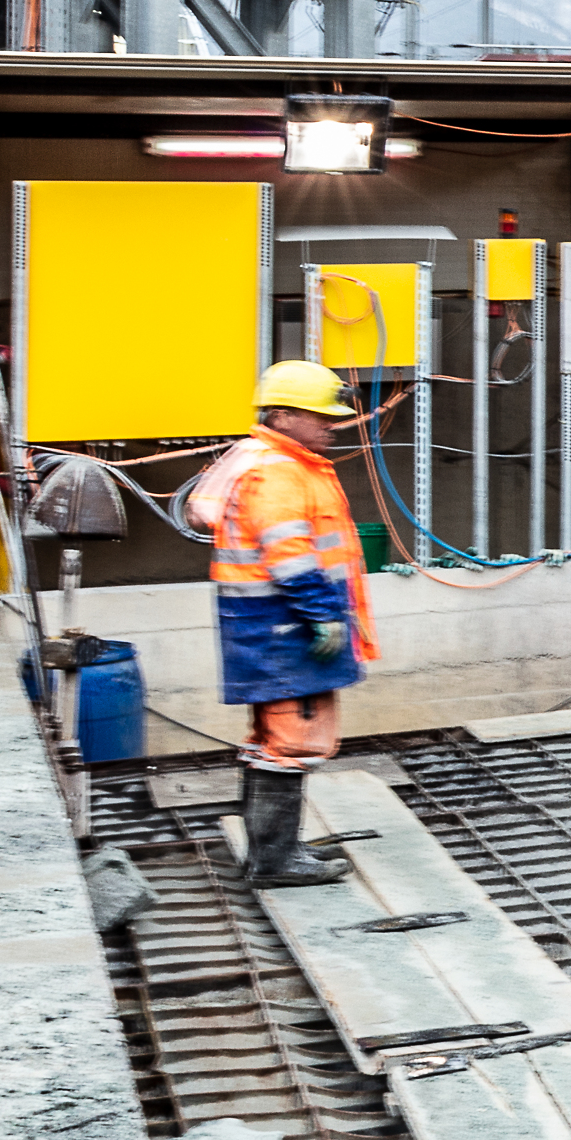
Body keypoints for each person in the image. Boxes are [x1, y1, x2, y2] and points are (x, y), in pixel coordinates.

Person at [188, 363, 379, 888]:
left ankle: (276, 849)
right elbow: (289, 555)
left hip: (268, 627)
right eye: (319, 415)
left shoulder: (275, 462)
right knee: (292, 742)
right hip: (287, 627)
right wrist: (321, 614)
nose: (331, 424)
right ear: (283, 415)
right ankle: (275, 861)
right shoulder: (277, 471)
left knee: (273, 739)